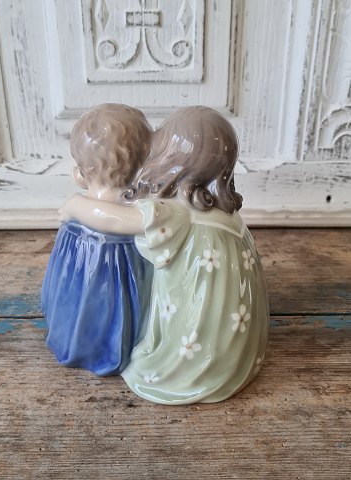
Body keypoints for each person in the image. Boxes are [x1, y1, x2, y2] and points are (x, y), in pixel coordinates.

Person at [62, 106, 269, 403]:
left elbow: (114, 221)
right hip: (242, 352)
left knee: (154, 353)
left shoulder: (174, 211)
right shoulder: (225, 214)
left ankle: (184, 367)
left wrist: (74, 205)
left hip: (199, 354)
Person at [41, 104, 153, 376]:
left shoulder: (79, 211)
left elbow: (111, 219)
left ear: (81, 172)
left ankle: (79, 339)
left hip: (83, 273)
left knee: (81, 306)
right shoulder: (138, 211)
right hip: (118, 274)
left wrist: (75, 203)